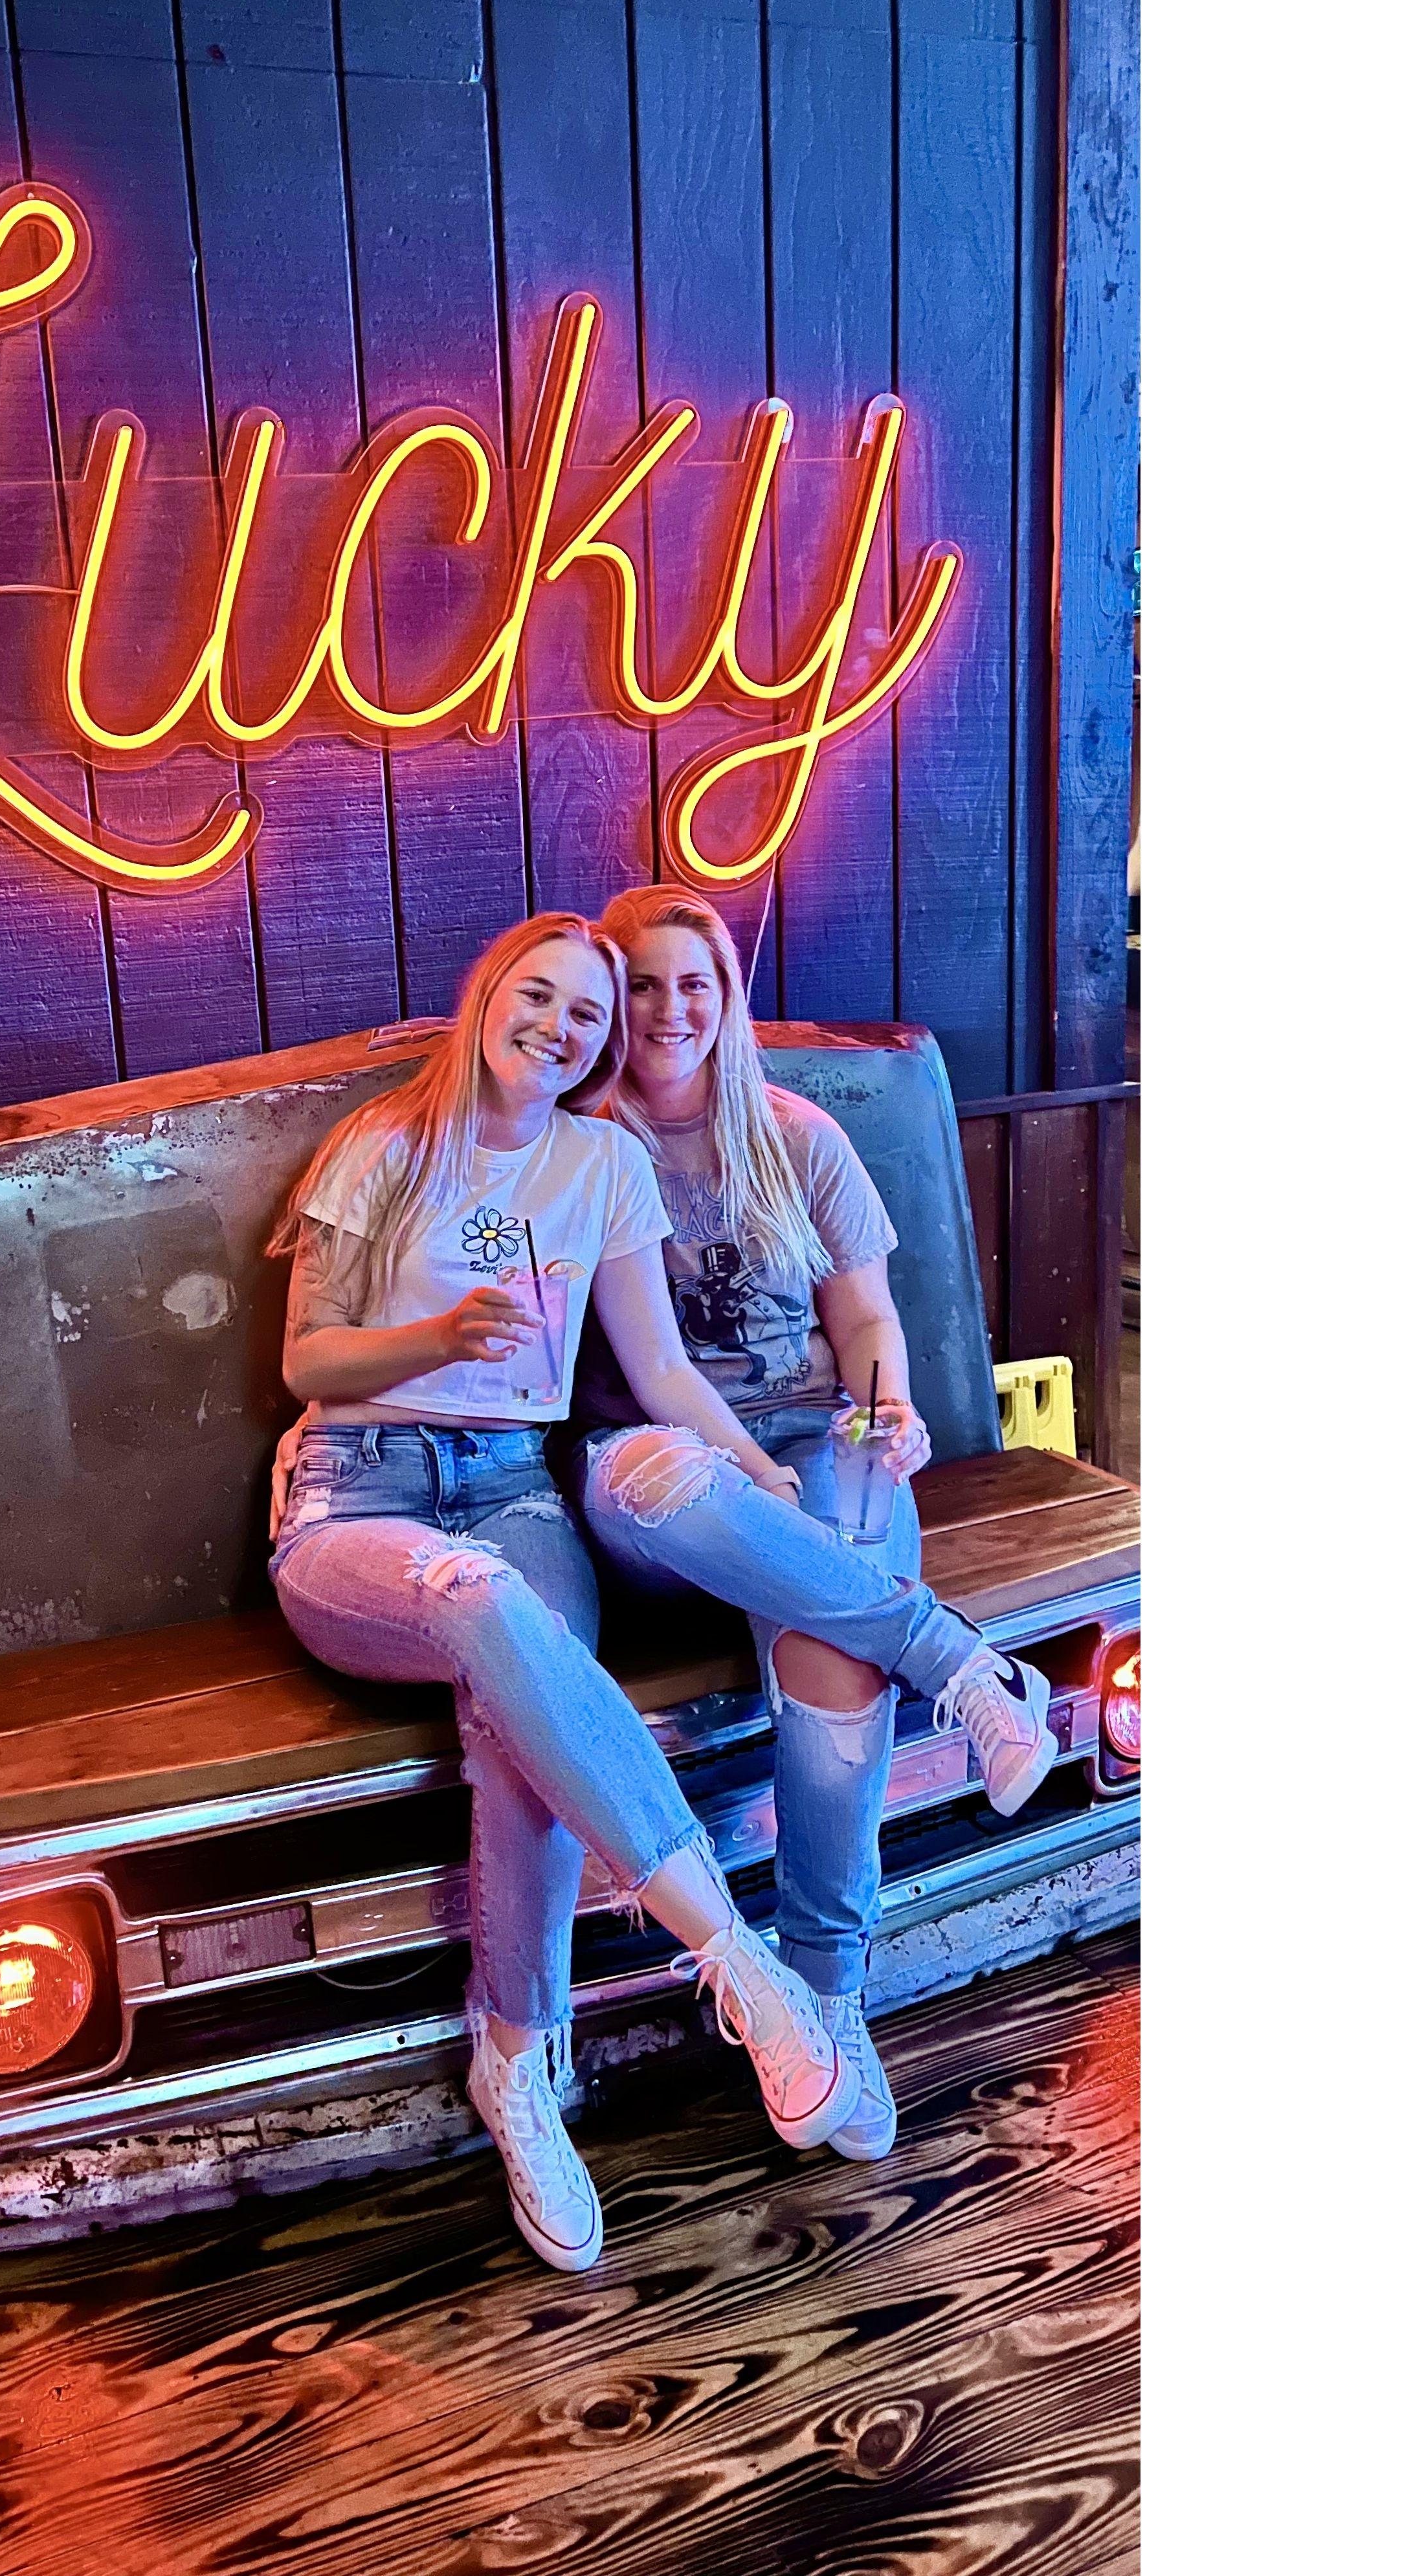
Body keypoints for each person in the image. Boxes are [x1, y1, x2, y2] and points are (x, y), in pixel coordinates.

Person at [267, 911, 858, 2273]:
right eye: (538, 996)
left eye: (587, 1014)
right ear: (489, 996)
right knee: (480, 1601)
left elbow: (661, 1373)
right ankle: (740, 1961)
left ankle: (515, 2060)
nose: (560, 1025)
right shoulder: (383, 1146)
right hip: (357, 1496)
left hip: (515, 1490)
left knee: (518, 1726)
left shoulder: (602, 1164)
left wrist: (760, 1472)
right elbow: (306, 1364)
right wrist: (433, 1338)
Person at [567, 883, 1058, 2165]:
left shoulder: (801, 1139)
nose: (670, 1009)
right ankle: (960, 1662)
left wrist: (889, 1411)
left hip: (812, 1440)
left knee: (835, 1650)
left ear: (729, 996)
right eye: (641, 984)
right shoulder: (584, 1149)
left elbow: (867, 1322)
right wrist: (754, 1469)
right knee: (662, 1479)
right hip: (659, 1466)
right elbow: (642, 1373)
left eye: (695, 983)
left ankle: (829, 2000)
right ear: (608, 1002)